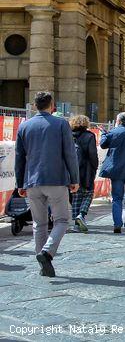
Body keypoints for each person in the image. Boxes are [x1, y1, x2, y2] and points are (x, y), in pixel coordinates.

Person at [14, 92, 79, 277]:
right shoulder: (61, 124)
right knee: (62, 221)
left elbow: (19, 157)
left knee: (39, 223)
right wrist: (74, 179)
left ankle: (43, 265)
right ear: (52, 105)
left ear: (35, 106)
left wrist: (20, 183)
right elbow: (70, 153)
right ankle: (47, 252)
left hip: (32, 180)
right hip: (56, 179)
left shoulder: (24, 126)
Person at [69, 115, 98, 233]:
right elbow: (92, 155)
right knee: (88, 193)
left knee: (75, 196)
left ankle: (76, 223)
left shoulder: (68, 135)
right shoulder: (90, 136)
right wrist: (94, 168)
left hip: (72, 170)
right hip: (86, 169)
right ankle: (81, 214)